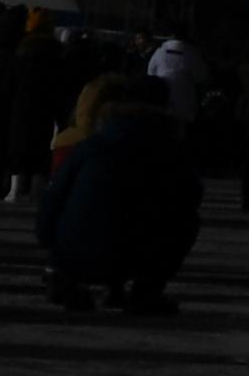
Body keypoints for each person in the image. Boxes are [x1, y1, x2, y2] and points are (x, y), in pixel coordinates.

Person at [40, 72, 201, 313]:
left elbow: (54, 198)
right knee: (186, 220)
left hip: (74, 253)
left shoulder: (91, 146)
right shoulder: (172, 152)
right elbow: (191, 198)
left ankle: (63, 278)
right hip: (137, 256)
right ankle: (145, 291)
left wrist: (49, 242)